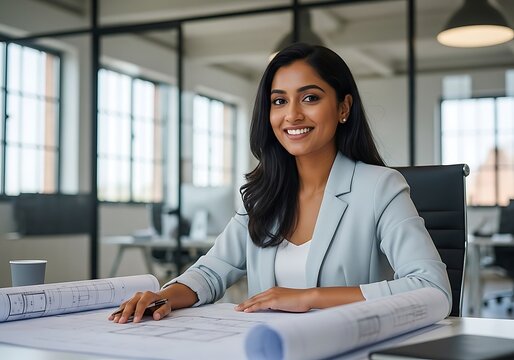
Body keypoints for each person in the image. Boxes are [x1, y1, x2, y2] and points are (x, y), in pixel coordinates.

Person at [109, 43, 451, 324]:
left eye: (310, 98)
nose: (292, 115)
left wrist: (308, 298)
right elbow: (213, 271)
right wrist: (163, 296)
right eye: (279, 101)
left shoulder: (380, 187)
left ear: (343, 107)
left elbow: (432, 287)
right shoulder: (261, 194)